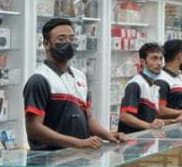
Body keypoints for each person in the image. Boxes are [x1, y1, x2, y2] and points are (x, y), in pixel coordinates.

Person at [23, 18, 122, 150]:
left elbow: (88, 118)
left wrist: (109, 135)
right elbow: (34, 129)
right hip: (50, 158)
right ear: (46, 44)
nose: (68, 43)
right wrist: (78, 143)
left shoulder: (79, 76)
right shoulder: (39, 79)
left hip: (78, 155)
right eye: (61, 39)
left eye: (72, 38)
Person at [118, 43, 182, 134]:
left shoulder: (153, 85)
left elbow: (153, 121)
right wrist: (149, 126)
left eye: (160, 59)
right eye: (154, 58)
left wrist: (175, 121)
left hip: (146, 139)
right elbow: (124, 116)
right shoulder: (135, 84)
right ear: (142, 62)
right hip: (132, 140)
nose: (159, 63)